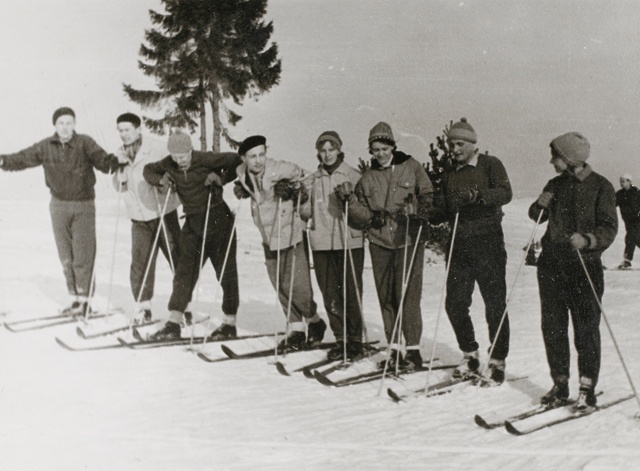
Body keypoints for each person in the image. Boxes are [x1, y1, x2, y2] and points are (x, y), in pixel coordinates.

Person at [0, 107, 126, 316]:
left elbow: (101, 160)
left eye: (69, 122)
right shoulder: (46, 146)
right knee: (65, 255)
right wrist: (3, 161)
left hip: (83, 205)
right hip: (58, 205)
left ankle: (84, 300)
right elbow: (23, 158)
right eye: (61, 123)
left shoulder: (85, 142)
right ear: (55, 126)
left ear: (74, 124)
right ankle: (75, 299)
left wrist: (114, 162)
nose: (65, 127)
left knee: (83, 254)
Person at [529, 131, 617, 411]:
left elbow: (608, 227)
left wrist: (588, 240)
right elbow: (537, 216)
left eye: (555, 156)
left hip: (584, 266)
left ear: (569, 158)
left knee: (586, 328)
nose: (551, 161)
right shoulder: (555, 184)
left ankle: (586, 388)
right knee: (553, 327)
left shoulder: (601, 186)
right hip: (552, 264)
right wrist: (538, 206)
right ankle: (560, 383)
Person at [335, 122, 433, 370]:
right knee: (386, 295)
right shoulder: (368, 177)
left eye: (383, 147)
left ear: (392, 146)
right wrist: (350, 201)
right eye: (375, 149)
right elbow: (358, 216)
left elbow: (429, 195)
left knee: (407, 294)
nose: (380, 153)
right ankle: (394, 349)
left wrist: (418, 210)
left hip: (408, 240)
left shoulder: (411, 167)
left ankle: (412, 350)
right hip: (380, 242)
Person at [142, 131, 242, 341]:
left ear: (190, 150)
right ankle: (173, 323)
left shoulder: (205, 158)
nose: (180, 161)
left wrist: (221, 178)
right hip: (193, 223)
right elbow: (147, 170)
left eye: (184, 156)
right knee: (184, 273)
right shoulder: (169, 163)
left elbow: (236, 160)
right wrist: (161, 180)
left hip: (218, 220)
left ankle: (229, 323)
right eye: (176, 157)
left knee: (225, 273)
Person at [234, 135, 326, 351]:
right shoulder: (242, 173)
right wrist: (241, 188)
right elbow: (250, 186)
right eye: (253, 156)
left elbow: (309, 179)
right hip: (267, 235)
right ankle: (296, 328)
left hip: (289, 231)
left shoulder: (281, 169)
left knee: (297, 286)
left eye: (261, 154)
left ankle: (315, 321)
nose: (258, 160)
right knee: (279, 285)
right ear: (244, 158)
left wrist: (296, 192)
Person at [441, 118, 512, 385]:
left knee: (494, 305)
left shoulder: (490, 164)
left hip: (488, 244)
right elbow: (446, 207)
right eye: (451, 144)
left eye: (460, 144)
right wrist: (426, 211)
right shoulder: (450, 172)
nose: (455, 149)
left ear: (472, 144)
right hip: (459, 246)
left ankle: (497, 361)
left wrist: (479, 197)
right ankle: (470, 354)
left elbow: (505, 192)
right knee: (455, 304)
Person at [302, 131, 365, 361]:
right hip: (322, 244)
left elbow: (363, 213)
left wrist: (351, 200)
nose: (327, 155)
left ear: (339, 150)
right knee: (330, 294)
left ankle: (355, 340)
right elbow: (305, 211)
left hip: (348, 242)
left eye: (332, 149)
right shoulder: (313, 180)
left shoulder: (353, 175)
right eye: (323, 150)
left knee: (351, 293)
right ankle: (341, 339)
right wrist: (299, 199)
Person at [112, 113, 181, 322]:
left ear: (138, 129)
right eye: (120, 130)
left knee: (176, 258)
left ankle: (182, 307)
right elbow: (118, 186)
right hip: (138, 216)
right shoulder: (119, 154)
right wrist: (119, 173)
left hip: (163, 212)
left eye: (127, 130)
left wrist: (166, 182)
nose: (124, 134)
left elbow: (176, 170)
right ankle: (143, 307)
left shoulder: (157, 147)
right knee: (140, 263)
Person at [614, 174, 640, 269]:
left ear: (629, 182)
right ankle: (627, 261)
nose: (621, 183)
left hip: (637, 220)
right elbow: (611, 204)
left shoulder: (636, 192)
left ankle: (627, 261)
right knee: (636, 239)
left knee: (630, 238)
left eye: (624, 181)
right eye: (621, 181)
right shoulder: (619, 194)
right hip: (628, 221)